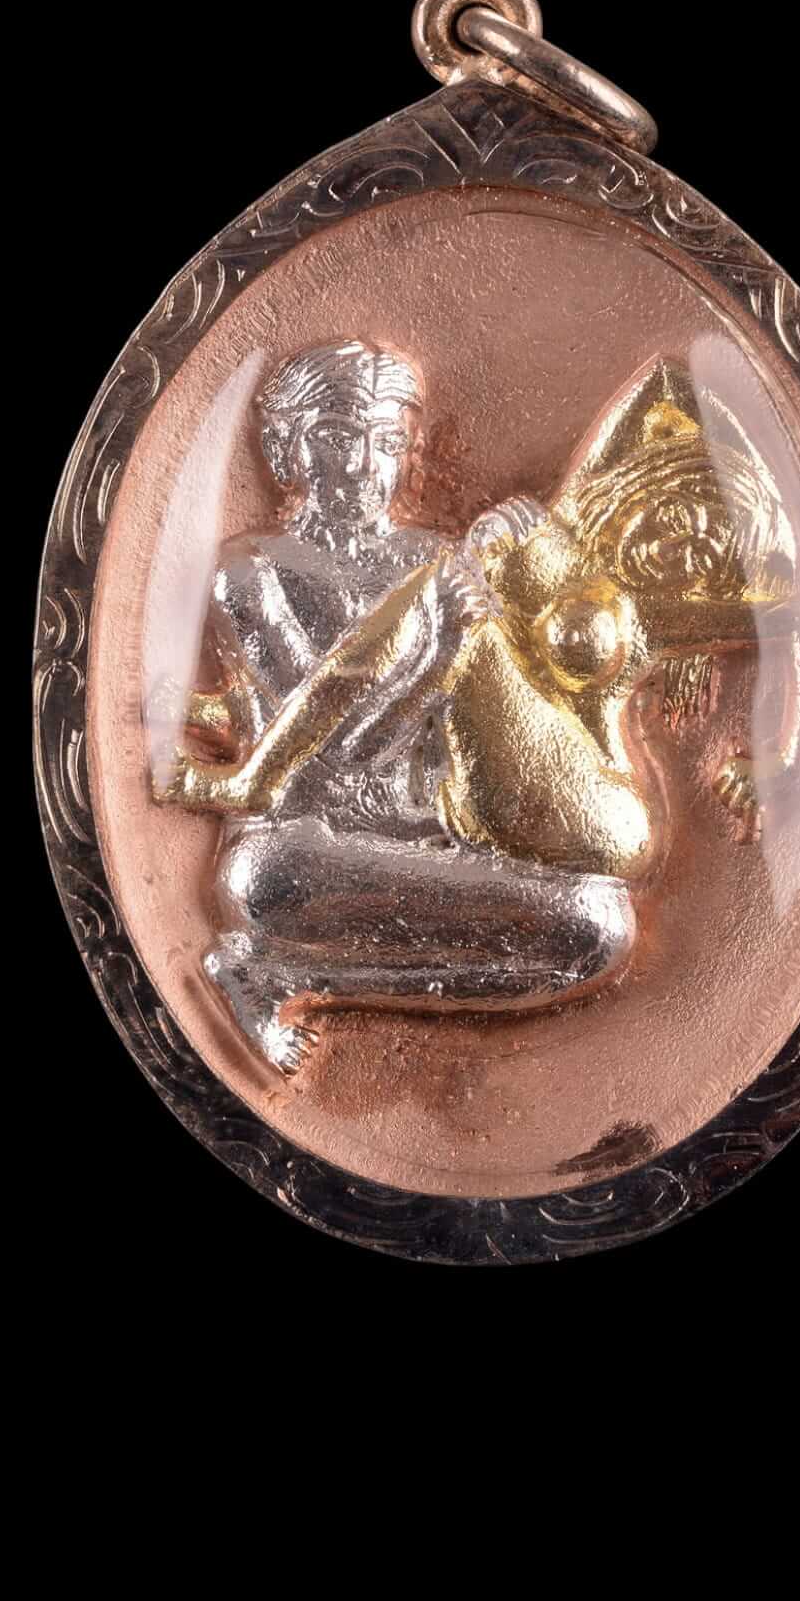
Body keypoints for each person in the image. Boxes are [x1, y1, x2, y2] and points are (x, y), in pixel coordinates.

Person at [173, 339, 635, 1074]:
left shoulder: (431, 559)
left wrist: (532, 571)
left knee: (598, 928)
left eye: (386, 442)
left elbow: (492, 721)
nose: (363, 467)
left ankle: (286, 973)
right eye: (336, 438)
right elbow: (324, 753)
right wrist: (439, 651)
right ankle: (272, 971)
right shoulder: (250, 571)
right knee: (263, 886)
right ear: (286, 447)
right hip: (301, 852)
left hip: (437, 844)